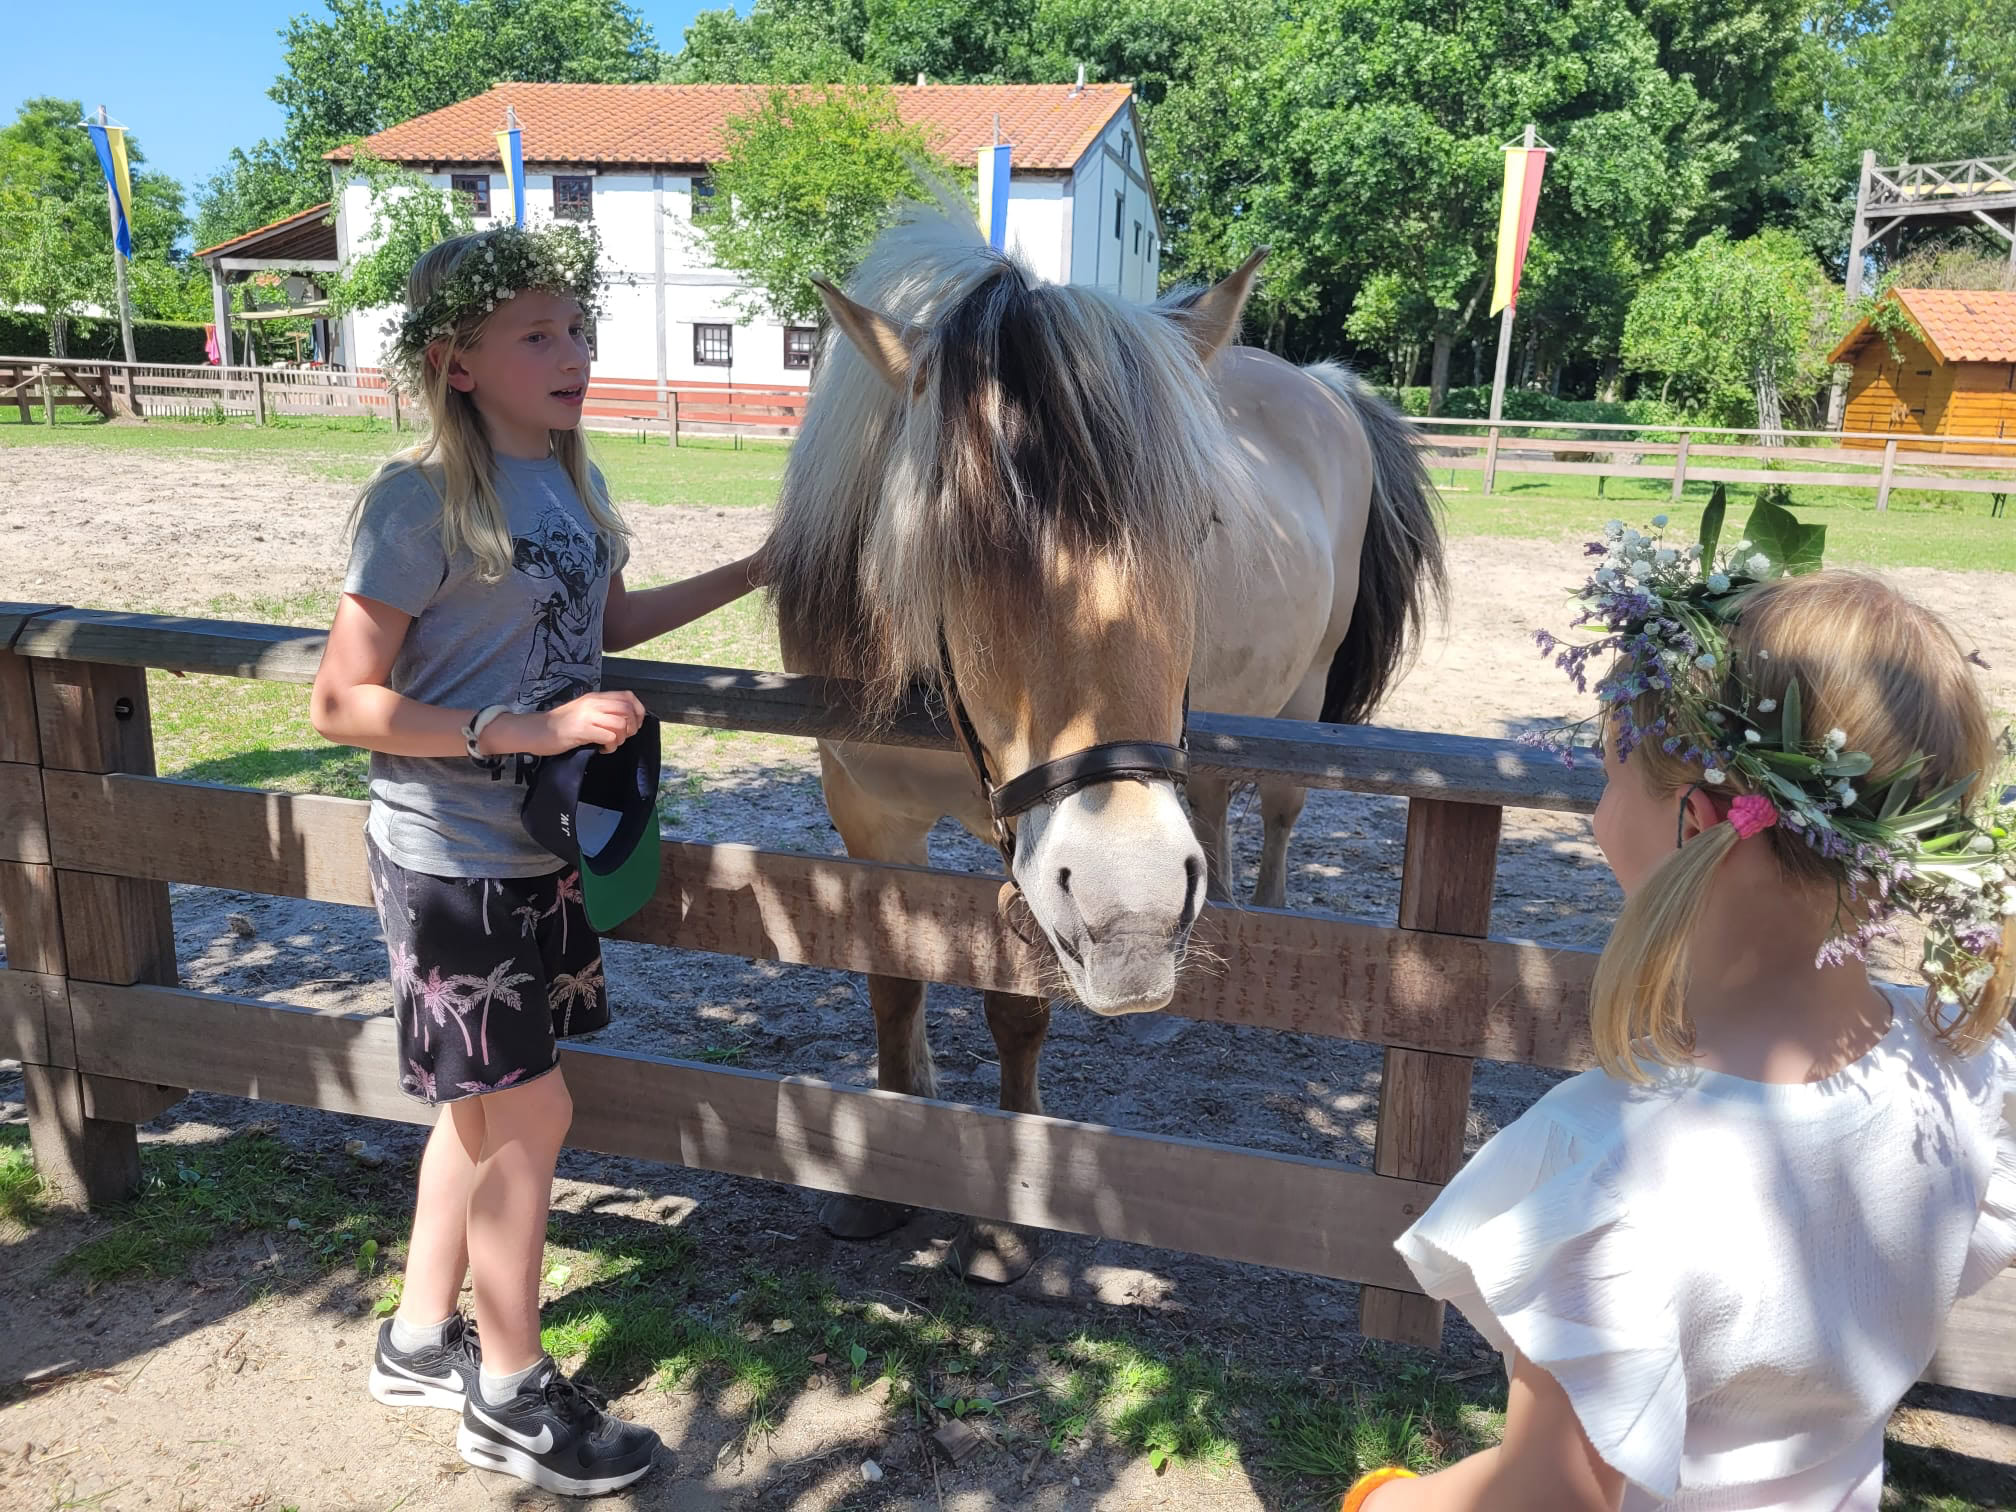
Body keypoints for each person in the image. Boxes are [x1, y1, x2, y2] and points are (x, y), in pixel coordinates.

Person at [1345, 512, 2015, 1512]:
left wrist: (1389, 1500)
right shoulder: (1964, 1065)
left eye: (1612, 774)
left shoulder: (1606, 1166)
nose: (1599, 808)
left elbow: (1548, 1501)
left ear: (1697, 823)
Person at [309, 223, 766, 1496]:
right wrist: (520, 729)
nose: (574, 354)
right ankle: (508, 1396)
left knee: (486, 1105)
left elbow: (610, 623)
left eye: (577, 328)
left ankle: (418, 1342)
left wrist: (753, 570)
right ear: (456, 363)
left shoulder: (569, 477)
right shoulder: (416, 502)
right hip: (450, 859)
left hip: (539, 849)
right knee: (532, 1114)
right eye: (537, 335)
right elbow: (341, 702)